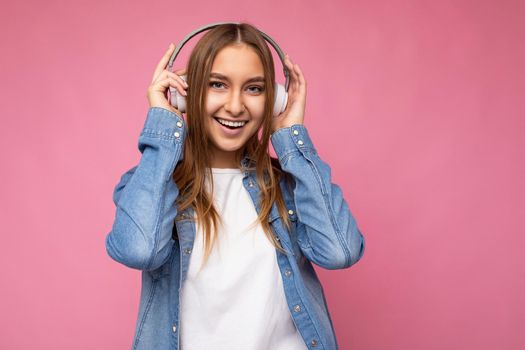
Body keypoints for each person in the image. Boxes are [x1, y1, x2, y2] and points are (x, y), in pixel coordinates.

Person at [105, 22, 365, 350]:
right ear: (186, 92)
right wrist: (163, 122)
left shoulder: (289, 188)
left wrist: (292, 137)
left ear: (276, 100)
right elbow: (137, 249)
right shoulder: (153, 186)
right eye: (217, 84)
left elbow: (340, 252)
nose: (235, 105)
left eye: (254, 88)